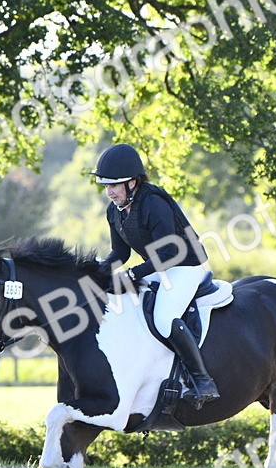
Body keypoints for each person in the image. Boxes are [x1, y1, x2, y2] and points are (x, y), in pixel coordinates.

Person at [91, 144, 220, 408]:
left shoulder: (152, 202)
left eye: (114, 185)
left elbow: (170, 251)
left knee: (163, 318)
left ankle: (202, 379)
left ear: (133, 182)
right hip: (159, 268)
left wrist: (132, 275)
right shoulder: (114, 211)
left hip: (185, 266)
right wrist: (99, 271)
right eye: (106, 186)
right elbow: (120, 251)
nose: (110, 191)